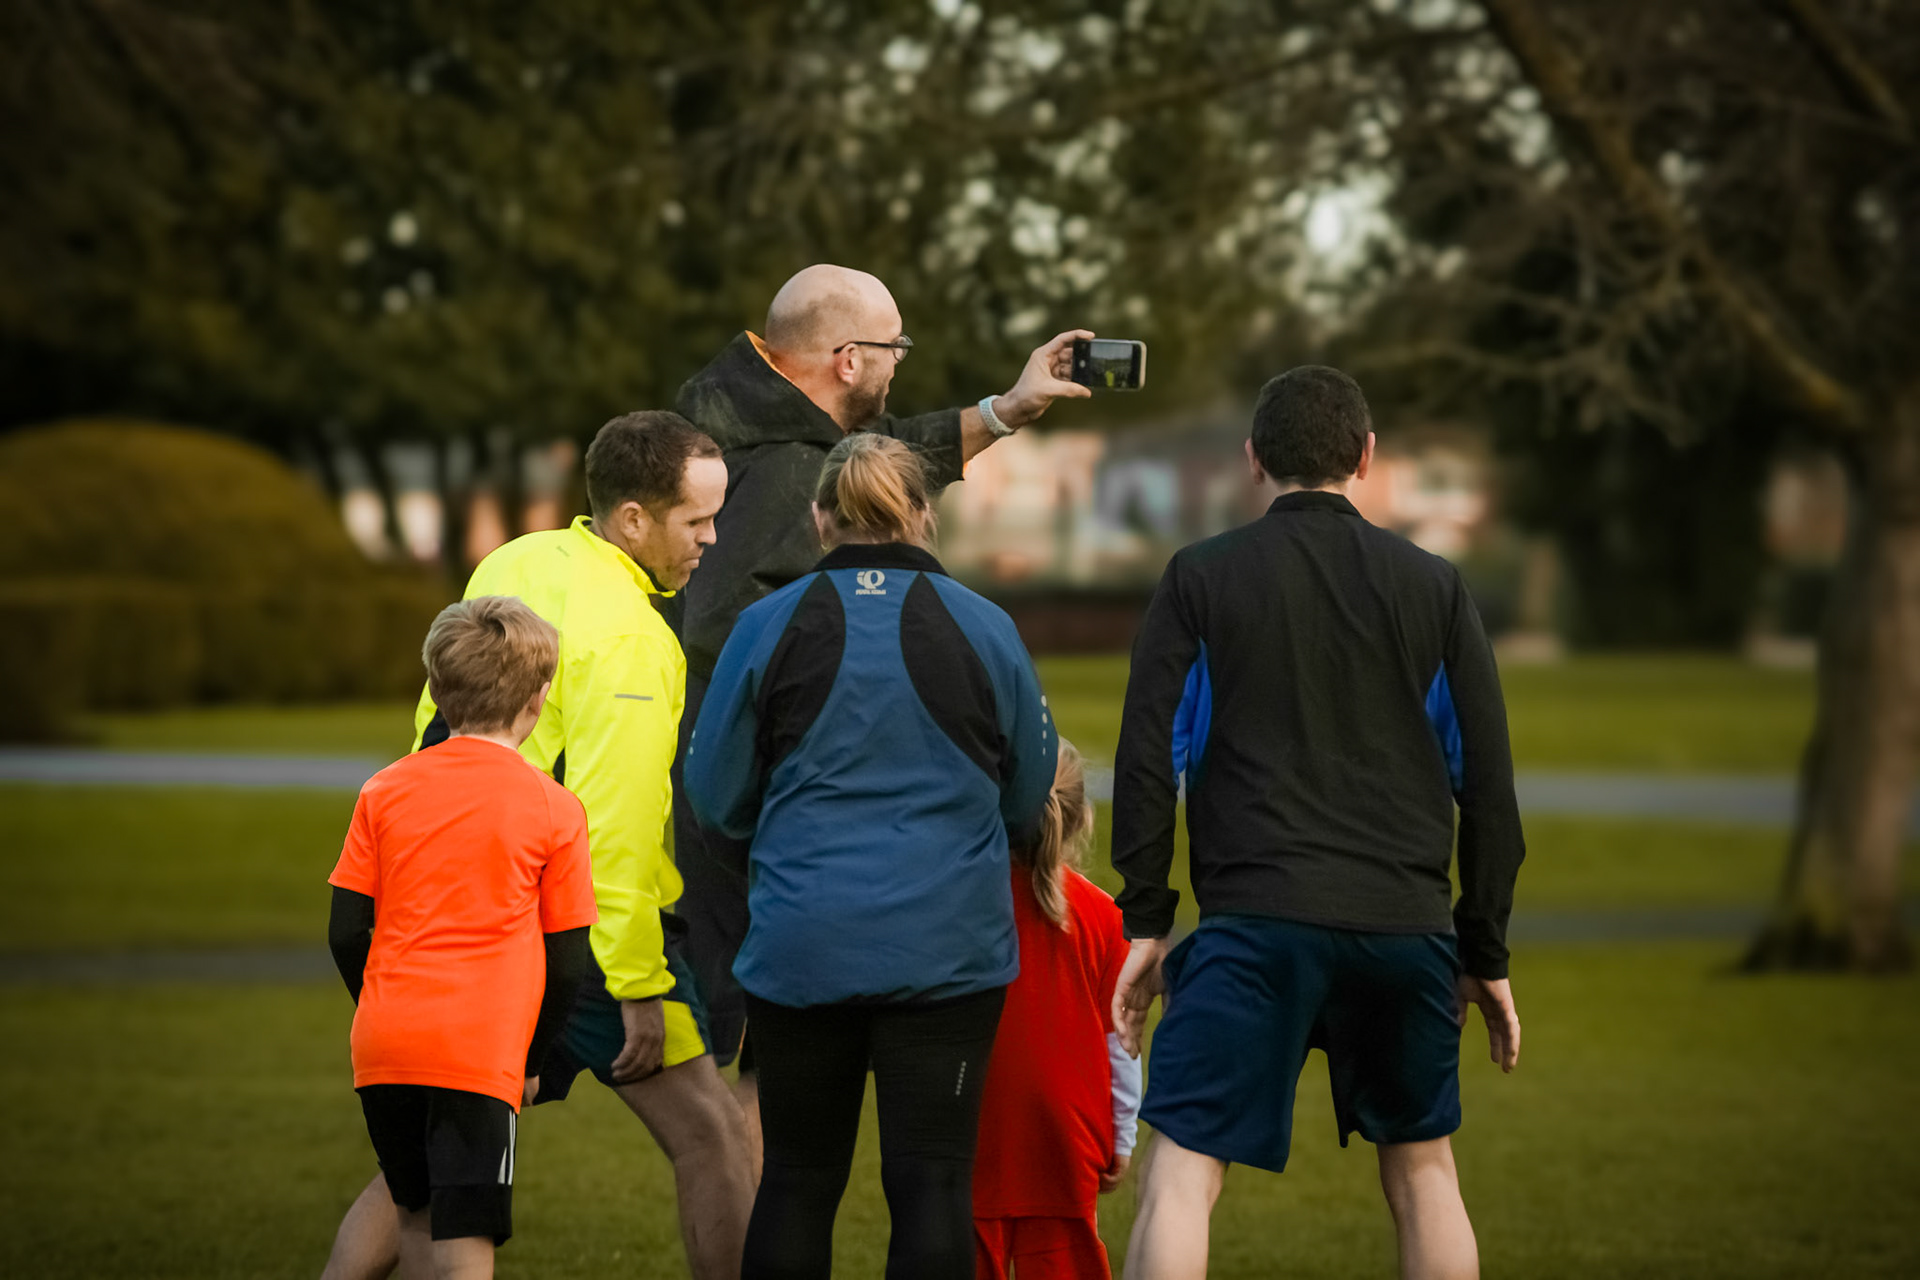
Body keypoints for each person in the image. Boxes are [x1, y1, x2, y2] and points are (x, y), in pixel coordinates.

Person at [1108, 367, 1526, 1280]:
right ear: (1366, 457)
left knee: (1181, 1172)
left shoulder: (1200, 579)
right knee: (1424, 1175)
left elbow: (1147, 759)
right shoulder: (1437, 589)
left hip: (1253, 924)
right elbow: (1489, 789)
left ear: (1255, 460)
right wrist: (1482, 952)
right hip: (1404, 924)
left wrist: (1145, 916)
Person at [669, 263, 1093, 1159]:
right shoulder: (780, 473)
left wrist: (1007, 408)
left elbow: (886, 451)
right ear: (849, 359)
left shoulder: (762, 427)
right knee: (760, 1107)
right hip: (788, 876)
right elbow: (724, 663)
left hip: (778, 864)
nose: (901, 365)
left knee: (791, 1162)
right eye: (895, 349)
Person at [321, 412, 755, 1280]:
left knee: (431, 1171)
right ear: (634, 518)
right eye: (697, 521)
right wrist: (636, 985)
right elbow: (617, 827)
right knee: (712, 1133)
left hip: (458, 909)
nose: (713, 539)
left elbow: (437, 739)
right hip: (570, 933)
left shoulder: (514, 561)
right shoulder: (634, 636)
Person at [684, 433, 1057, 1280]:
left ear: (820, 520)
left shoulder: (764, 625)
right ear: (923, 516)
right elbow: (1030, 793)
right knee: (931, 1187)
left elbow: (713, 794)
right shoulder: (986, 625)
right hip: (949, 950)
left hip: (801, 942)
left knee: (797, 1181)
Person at [326, 596, 600, 1280]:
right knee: (467, 1239)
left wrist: (383, 1000)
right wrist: (532, 1058)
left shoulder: (383, 790)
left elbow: (344, 931)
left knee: (415, 1217)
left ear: (438, 695)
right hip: (479, 1050)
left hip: (386, 1043)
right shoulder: (554, 807)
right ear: (538, 702)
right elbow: (569, 962)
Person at [971, 740, 1141, 1280]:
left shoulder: (962, 906)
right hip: (1068, 1139)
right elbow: (1123, 1043)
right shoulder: (1105, 917)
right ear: (1079, 818)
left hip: (973, 1130)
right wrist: (1123, 1134)